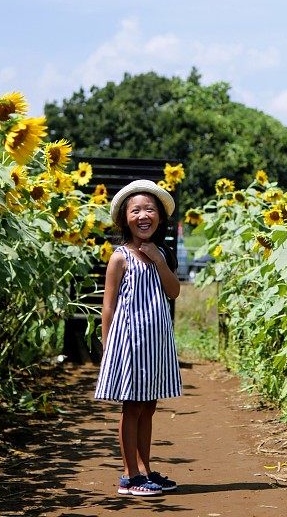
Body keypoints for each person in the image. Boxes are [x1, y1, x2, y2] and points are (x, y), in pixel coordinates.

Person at [94, 179, 182, 496]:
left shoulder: (162, 254)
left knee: (149, 407)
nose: (143, 215)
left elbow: (173, 292)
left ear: (159, 217)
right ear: (125, 218)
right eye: (136, 210)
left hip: (155, 344)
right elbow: (108, 307)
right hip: (129, 345)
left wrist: (159, 261)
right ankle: (129, 476)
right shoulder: (120, 257)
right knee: (131, 409)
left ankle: (145, 470)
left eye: (149, 209)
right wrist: (107, 349)